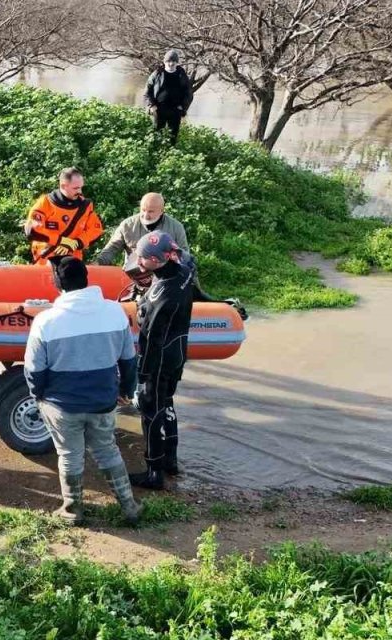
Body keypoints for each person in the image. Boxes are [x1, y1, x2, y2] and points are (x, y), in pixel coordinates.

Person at [23, 257, 141, 526]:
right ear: (88, 278)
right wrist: (125, 389)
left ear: (57, 284)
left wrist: (38, 395)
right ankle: (130, 506)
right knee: (108, 450)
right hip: (102, 401)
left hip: (62, 405)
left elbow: (34, 370)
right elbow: (128, 360)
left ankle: (72, 510)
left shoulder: (45, 321)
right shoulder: (115, 313)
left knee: (69, 455)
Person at [97, 193, 247, 317]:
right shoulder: (127, 225)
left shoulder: (176, 227)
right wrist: (97, 265)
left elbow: (185, 258)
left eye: (151, 211)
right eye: (143, 210)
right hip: (138, 279)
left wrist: (188, 285)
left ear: (162, 210)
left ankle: (229, 308)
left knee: (195, 295)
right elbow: (110, 250)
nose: (145, 215)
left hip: (167, 279)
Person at [125, 231, 194, 490]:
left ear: (157, 260)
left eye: (143, 260)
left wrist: (141, 375)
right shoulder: (184, 270)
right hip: (178, 352)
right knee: (167, 404)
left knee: (150, 410)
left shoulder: (160, 297)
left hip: (161, 358)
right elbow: (195, 289)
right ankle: (171, 460)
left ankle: (154, 472)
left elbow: (150, 339)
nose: (139, 263)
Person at [24, 168, 103, 265]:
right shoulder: (45, 203)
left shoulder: (85, 206)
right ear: (63, 186)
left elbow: (96, 231)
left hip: (73, 262)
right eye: (75, 188)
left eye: (81, 187)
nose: (80, 191)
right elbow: (32, 230)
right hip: (46, 260)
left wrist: (76, 243)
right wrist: (60, 241)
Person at [144, 49, 194, 145]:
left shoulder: (182, 75)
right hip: (158, 109)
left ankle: (170, 154)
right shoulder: (157, 74)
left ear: (177, 63)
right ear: (164, 62)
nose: (171, 64)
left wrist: (183, 107)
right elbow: (147, 92)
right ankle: (156, 155)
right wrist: (151, 105)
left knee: (173, 137)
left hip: (175, 110)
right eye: (168, 61)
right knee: (157, 135)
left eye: (173, 62)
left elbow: (189, 94)